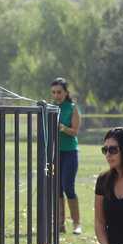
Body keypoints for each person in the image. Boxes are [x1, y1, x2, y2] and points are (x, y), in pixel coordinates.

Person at [50, 78, 82, 234]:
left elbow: (75, 131)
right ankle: (59, 223)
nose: (56, 95)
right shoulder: (51, 108)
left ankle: (76, 224)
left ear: (66, 92)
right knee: (57, 189)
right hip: (56, 153)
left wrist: (62, 128)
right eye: (54, 92)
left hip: (70, 152)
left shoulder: (72, 108)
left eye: (59, 92)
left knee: (68, 187)